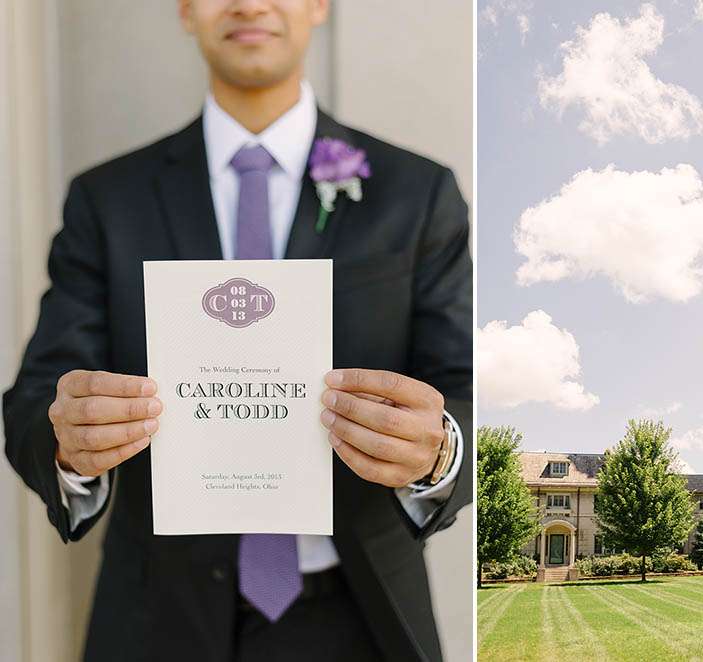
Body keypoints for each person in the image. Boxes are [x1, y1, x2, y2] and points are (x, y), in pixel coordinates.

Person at [1, 1, 472, 660]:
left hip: (358, 613)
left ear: (318, 5)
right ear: (187, 9)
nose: (250, 3)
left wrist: (440, 449)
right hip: (155, 614)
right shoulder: (107, 199)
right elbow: (35, 398)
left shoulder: (417, 193)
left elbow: (464, 387)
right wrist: (68, 442)